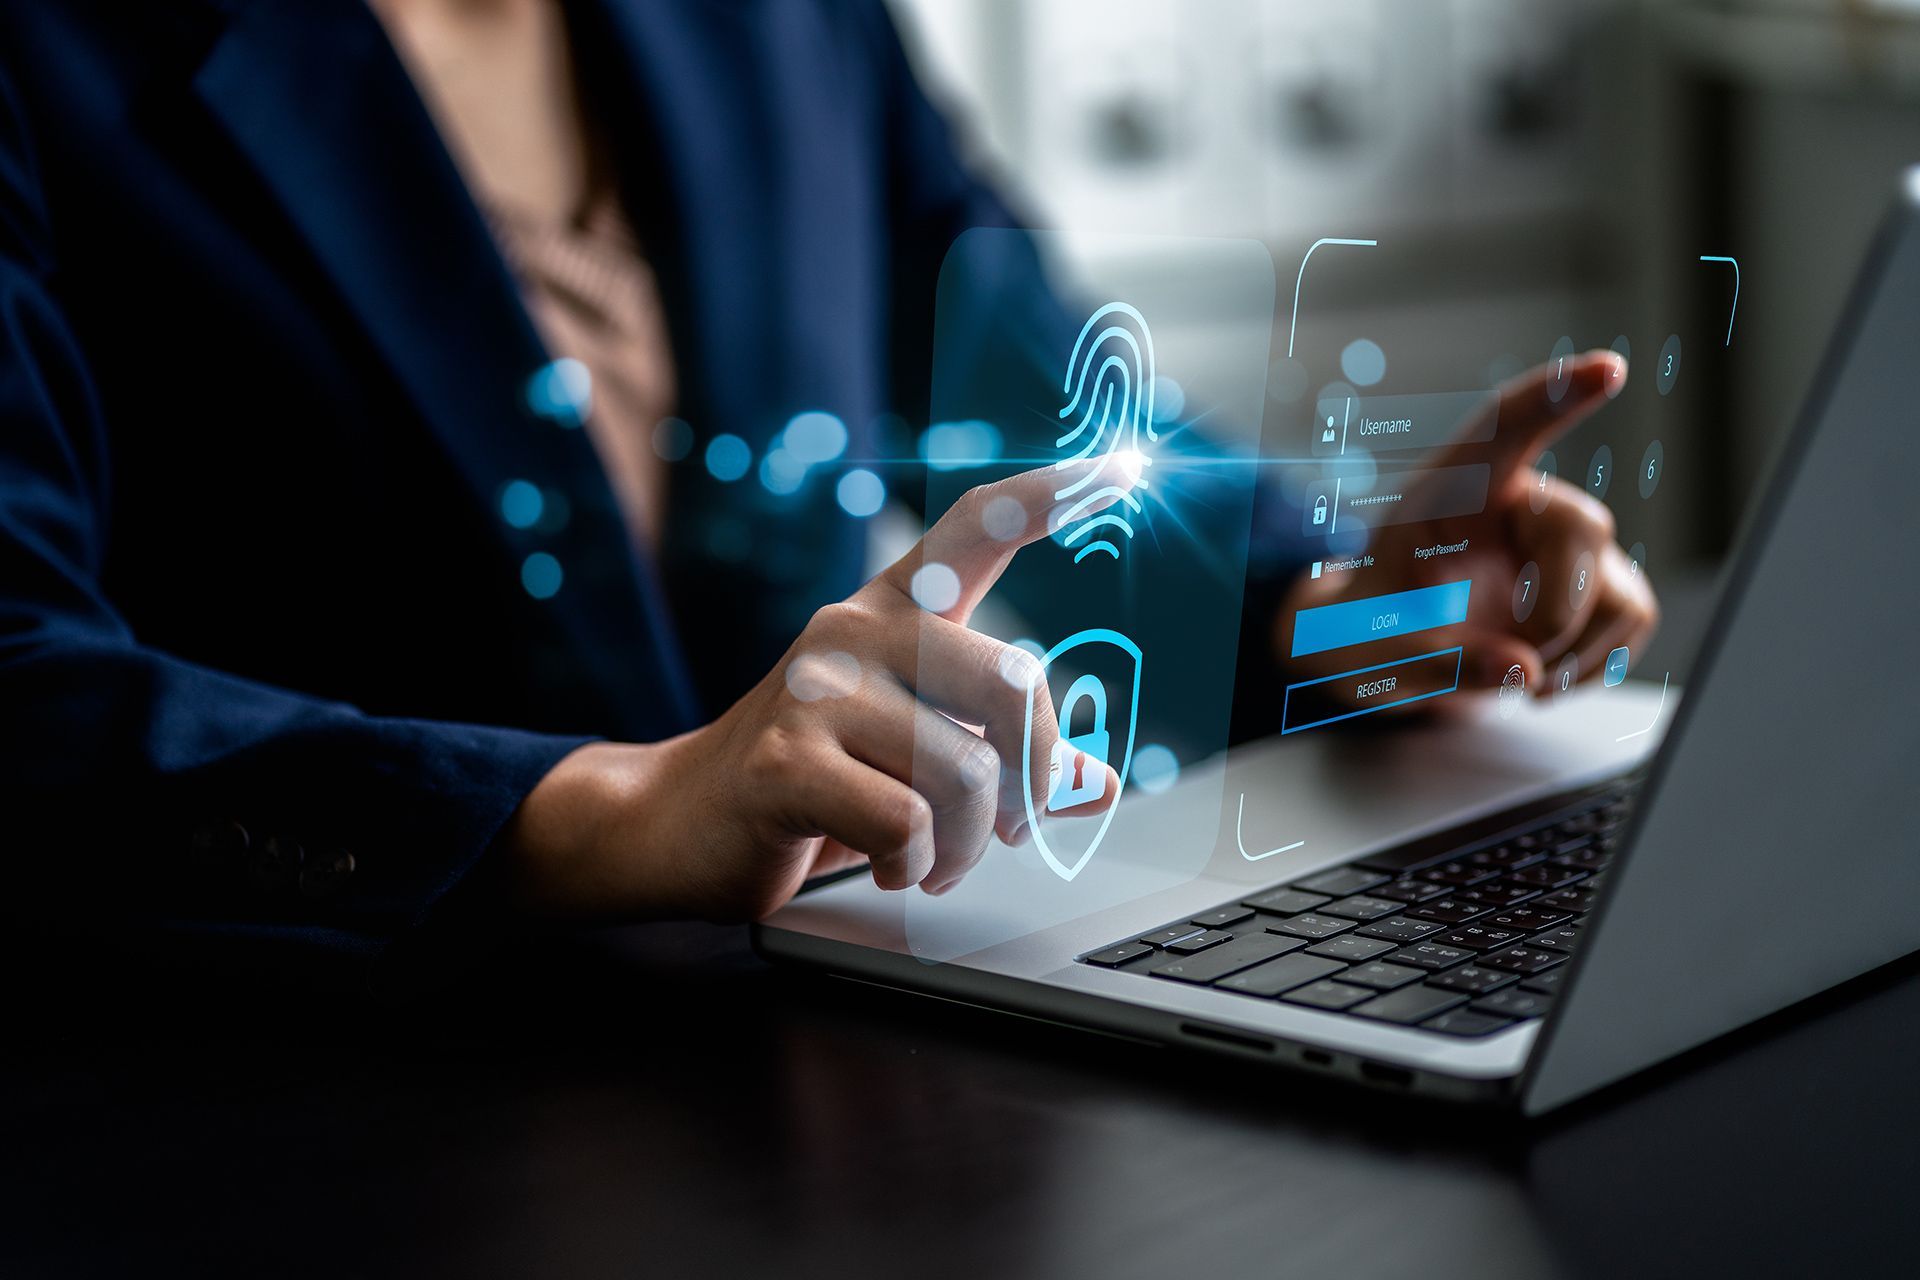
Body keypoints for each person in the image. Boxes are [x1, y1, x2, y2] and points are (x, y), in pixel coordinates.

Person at [0, 0, 1652, 983]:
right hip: (294, 1122)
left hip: (770, 1068)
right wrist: (601, 814)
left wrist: (1333, 604)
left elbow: (1021, 374)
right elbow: (22, 683)